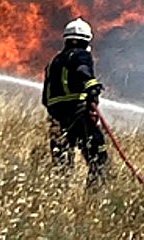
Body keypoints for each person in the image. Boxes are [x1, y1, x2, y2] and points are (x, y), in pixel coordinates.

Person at [42, 17, 108, 185]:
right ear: (86, 40)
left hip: (56, 117)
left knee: (62, 160)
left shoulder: (54, 62)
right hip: (78, 113)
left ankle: (59, 195)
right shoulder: (81, 55)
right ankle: (95, 197)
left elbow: (45, 97)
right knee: (98, 154)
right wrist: (92, 87)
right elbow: (83, 71)